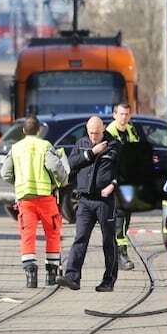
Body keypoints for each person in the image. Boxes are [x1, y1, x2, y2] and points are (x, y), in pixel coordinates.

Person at [0, 115, 67, 287]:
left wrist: (19, 181)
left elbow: (5, 173)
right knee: (52, 233)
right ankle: (51, 274)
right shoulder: (44, 146)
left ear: (23, 131)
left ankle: (30, 273)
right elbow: (54, 167)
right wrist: (62, 181)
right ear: (39, 131)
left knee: (27, 235)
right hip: (46, 198)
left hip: (25, 200)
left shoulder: (15, 148)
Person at [57, 117, 121, 292]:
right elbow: (70, 165)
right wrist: (91, 152)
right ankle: (72, 277)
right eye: (91, 133)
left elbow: (123, 172)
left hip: (105, 201)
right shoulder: (82, 143)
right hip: (85, 200)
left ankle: (109, 280)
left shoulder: (114, 145)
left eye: (97, 133)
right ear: (87, 130)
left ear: (104, 129)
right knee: (80, 238)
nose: (94, 136)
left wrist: (113, 185)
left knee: (109, 241)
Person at [104, 102, 150, 271]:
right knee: (119, 217)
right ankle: (121, 254)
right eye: (121, 114)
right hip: (114, 182)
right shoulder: (108, 134)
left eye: (127, 114)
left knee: (125, 218)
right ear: (114, 115)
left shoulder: (132, 130)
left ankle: (116, 254)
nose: (124, 117)